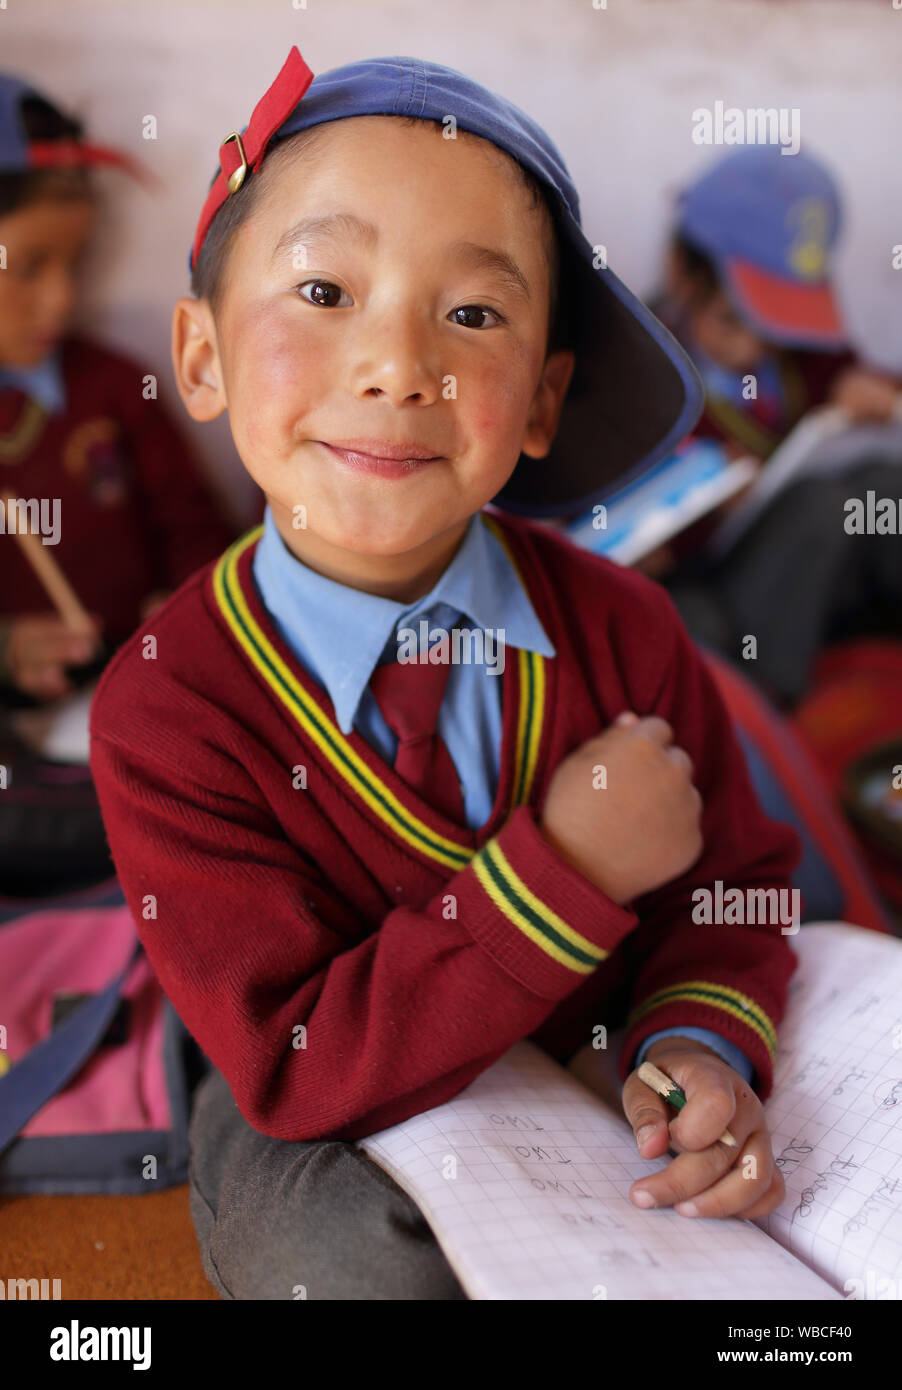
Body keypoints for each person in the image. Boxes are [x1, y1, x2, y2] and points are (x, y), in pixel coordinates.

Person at [89, 49, 803, 1300]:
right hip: (319, 1103)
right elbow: (292, 1060)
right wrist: (568, 867)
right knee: (347, 1266)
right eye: (322, 287)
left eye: (471, 315)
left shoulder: (625, 630)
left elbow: (734, 886)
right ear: (198, 359)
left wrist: (698, 1041)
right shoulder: (170, 706)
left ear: (540, 398)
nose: (397, 366)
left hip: (587, 1079)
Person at [0, 73, 234, 705]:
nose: (62, 298)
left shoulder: (118, 389)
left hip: (149, 697)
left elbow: (196, 527)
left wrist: (191, 604)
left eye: (75, 264)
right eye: (28, 267)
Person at [646, 144, 902, 704]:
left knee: (885, 484)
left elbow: (861, 378)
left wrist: (870, 392)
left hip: (801, 576)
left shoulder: (800, 356)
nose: (756, 346)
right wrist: (704, 513)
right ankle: (770, 732)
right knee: (818, 509)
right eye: (734, 319)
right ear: (681, 272)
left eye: (778, 324)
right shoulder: (640, 375)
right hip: (710, 594)